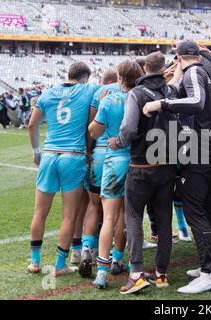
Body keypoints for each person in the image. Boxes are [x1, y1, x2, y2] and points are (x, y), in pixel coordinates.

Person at [142, 40, 211, 293]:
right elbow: (183, 93)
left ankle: (208, 273)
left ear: (178, 56)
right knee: (207, 207)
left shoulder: (194, 72)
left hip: (199, 149)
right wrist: (177, 75)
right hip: (206, 147)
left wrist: (161, 104)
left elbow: (196, 102)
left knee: (195, 210)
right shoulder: (199, 71)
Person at [108, 52, 177, 294]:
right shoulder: (172, 92)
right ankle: (161, 274)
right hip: (167, 165)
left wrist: (118, 141)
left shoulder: (136, 93)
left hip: (141, 165)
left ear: (145, 68)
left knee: (134, 218)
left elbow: (128, 128)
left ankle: (136, 273)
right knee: (164, 218)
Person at [27, 62, 100, 276]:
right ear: (85, 77)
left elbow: (32, 125)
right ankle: (60, 264)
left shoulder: (48, 93)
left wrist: (36, 151)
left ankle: (35, 261)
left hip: (49, 155)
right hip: (73, 156)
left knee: (40, 212)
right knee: (69, 215)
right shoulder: (88, 89)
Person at [88, 61, 143, 288]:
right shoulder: (142, 98)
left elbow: (94, 131)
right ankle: (121, 261)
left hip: (113, 161)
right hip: (138, 163)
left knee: (108, 217)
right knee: (129, 216)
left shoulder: (109, 100)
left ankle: (101, 272)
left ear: (119, 78)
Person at [78, 69, 120, 278]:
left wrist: (88, 151)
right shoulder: (128, 90)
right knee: (119, 211)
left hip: (98, 155)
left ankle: (87, 248)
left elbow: (91, 128)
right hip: (120, 155)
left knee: (94, 206)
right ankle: (117, 256)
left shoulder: (98, 92)